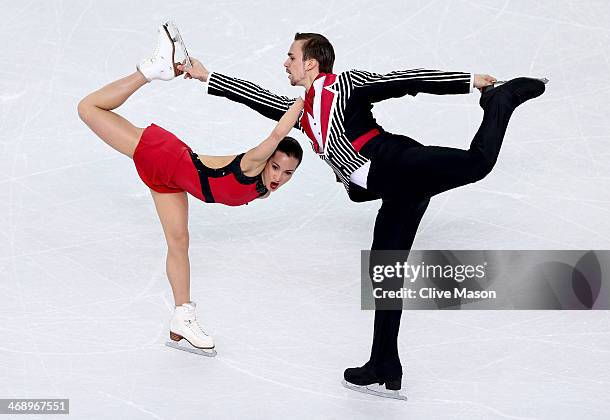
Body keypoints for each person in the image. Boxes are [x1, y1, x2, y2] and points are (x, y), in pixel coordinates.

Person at [178, 32, 546, 396]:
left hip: (399, 163)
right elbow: (260, 99)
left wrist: (467, 81)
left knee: (477, 162)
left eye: (291, 56)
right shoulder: (302, 111)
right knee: (385, 274)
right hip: (395, 190)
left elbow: (404, 81)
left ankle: (502, 99)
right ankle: (384, 362)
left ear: (311, 62)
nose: (285, 63)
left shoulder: (346, 85)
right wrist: (206, 76)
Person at [77, 24, 304, 357]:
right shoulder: (256, 162)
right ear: (267, 160)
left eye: (288, 173)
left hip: (172, 179)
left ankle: (182, 316)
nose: (280, 177)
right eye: (276, 167)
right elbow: (275, 137)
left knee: (179, 241)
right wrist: (304, 101)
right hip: (167, 158)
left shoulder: (265, 185)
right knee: (89, 108)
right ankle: (152, 69)